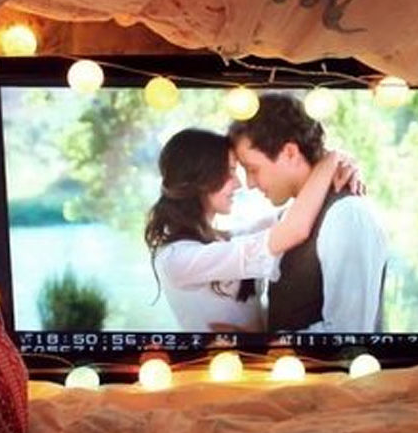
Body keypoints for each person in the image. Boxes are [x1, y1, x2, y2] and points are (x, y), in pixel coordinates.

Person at [144, 128, 357, 332]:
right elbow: (294, 229)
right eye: (229, 172)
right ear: (200, 178)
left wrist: (341, 165)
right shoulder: (177, 259)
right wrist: (330, 161)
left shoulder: (227, 239)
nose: (239, 184)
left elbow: (296, 213)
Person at [229, 93, 388, 332]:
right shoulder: (290, 217)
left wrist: (263, 345)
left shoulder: (346, 215)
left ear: (290, 153)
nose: (250, 184)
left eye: (253, 169)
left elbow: (348, 330)